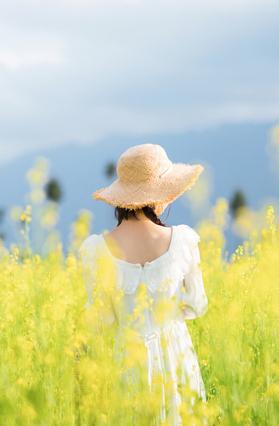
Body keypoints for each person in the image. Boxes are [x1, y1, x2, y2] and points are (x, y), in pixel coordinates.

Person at [78, 143, 209, 425]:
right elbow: (197, 304)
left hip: (127, 360)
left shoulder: (96, 251)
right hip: (177, 360)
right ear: (161, 193)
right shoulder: (184, 240)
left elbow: (102, 321)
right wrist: (166, 313)